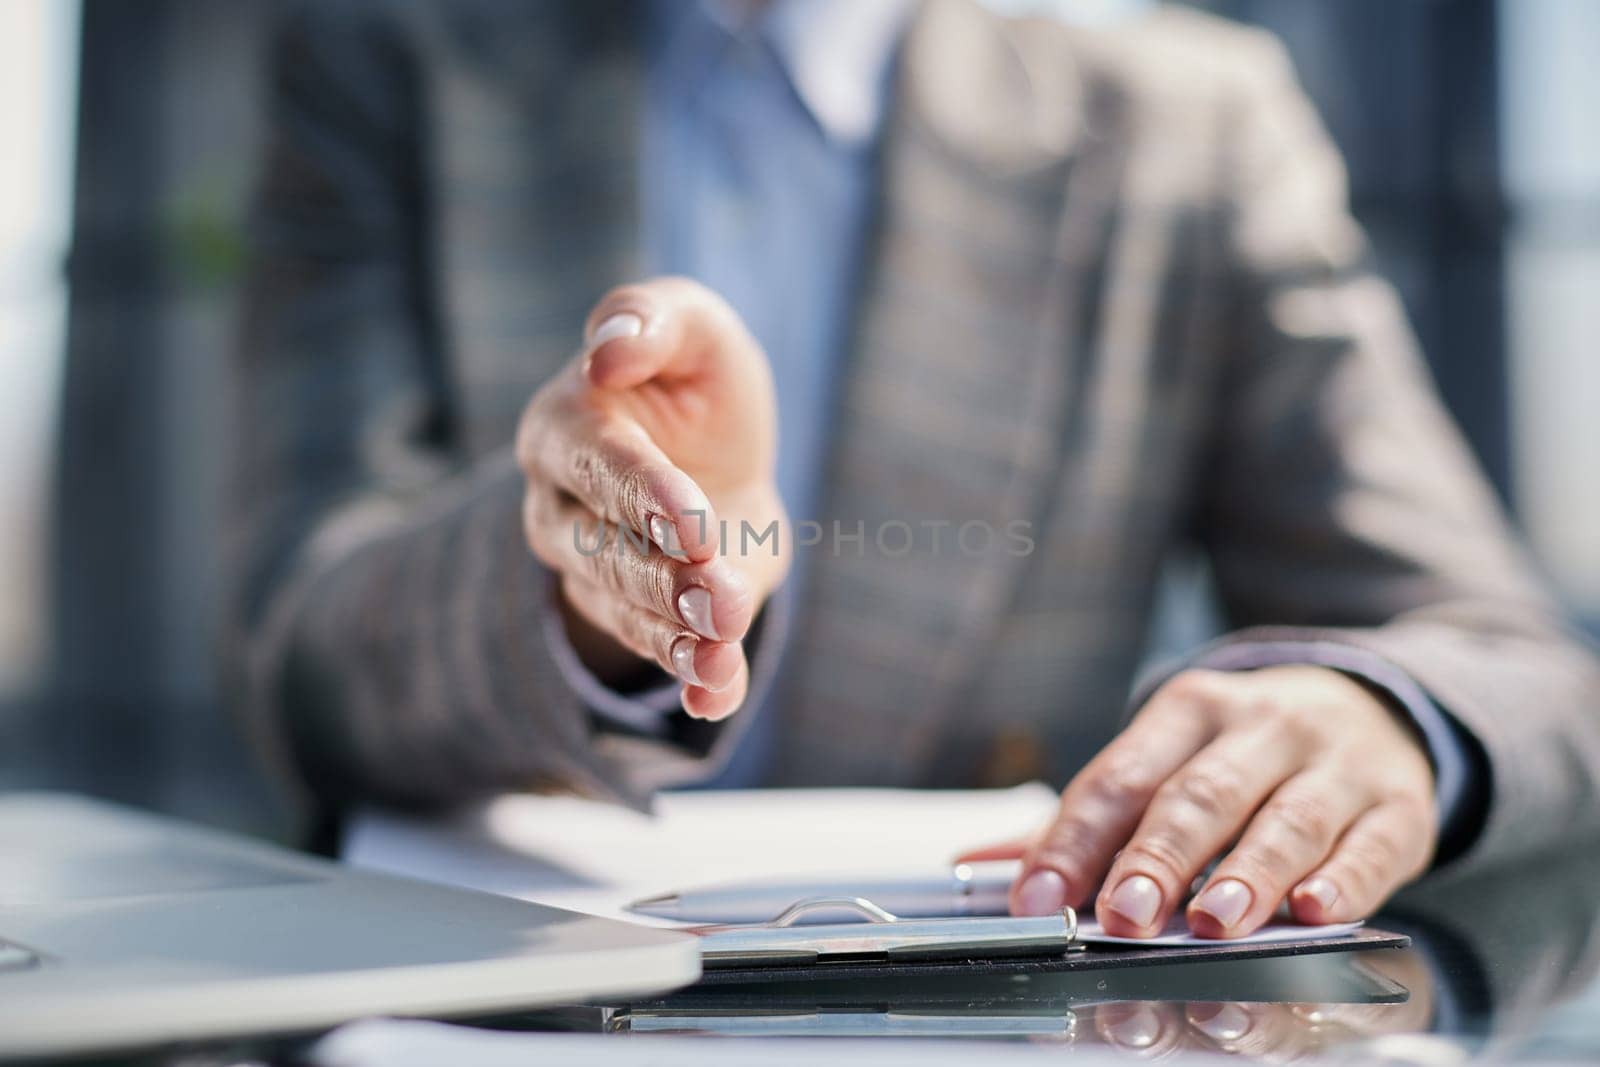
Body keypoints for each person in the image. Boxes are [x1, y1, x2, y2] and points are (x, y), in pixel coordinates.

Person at [229, 0, 1600, 940]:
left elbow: (1515, 663)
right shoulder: (389, 55)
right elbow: (300, 654)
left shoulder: (1189, 130)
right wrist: (587, 592)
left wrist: (1377, 715)